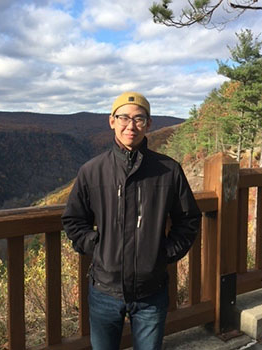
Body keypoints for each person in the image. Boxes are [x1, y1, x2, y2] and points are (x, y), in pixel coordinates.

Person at [62, 91, 201, 350]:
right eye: (123, 117)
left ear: (148, 124)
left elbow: (189, 219)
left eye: (139, 119)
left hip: (152, 289)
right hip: (104, 288)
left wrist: (166, 252)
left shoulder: (168, 170)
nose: (131, 125)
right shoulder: (92, 171)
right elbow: (73, 220)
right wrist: (96, 245)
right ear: (111, 121)